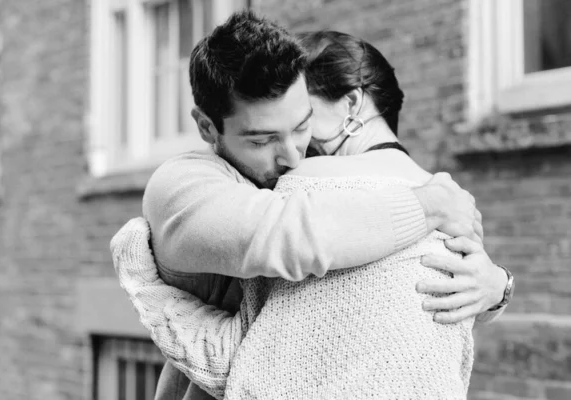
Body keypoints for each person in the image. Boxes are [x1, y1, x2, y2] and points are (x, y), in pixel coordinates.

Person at [110, 11, 510, 400]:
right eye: (263, 140)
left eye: (302, 127)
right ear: (206, 127)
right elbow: (292, 237)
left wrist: (496, 286)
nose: (294, 158)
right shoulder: (181, 187)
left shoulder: (310, 181)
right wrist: (427, 208)